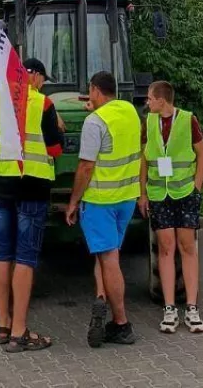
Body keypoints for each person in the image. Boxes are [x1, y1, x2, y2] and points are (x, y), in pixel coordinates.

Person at [0, 57, 62, 352]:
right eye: (42, 79)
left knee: (3, 255)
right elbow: (55, 148)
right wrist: (59, 129)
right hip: (32, 188)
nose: (42, 85)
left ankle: (3, 325)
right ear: (34, 76)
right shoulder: (43, 105)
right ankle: (19, 332)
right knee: (25, 257)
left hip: (1, 185)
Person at [68, 71, 141, 348]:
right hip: (127, 197)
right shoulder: (130, 112)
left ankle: (121, 324)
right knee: (107, 253)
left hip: (100, 200)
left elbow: (86, 166)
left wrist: (74, 201)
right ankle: (100, 297)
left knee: (109, 258)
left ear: (95, 90)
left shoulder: (94, 122)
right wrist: (95, 106)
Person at [139, 80, 203, 334]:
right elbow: (144, 159)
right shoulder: (149, 123)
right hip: (159, 193)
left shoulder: (189, 120)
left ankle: (191, 307)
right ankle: (169, 308)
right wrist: (142, 192)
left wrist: (197, 189)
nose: (147, 102)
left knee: (187, 247)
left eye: (149, 98)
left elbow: (202, 155)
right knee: (165, 248)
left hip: (185, 192)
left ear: (161, 100)